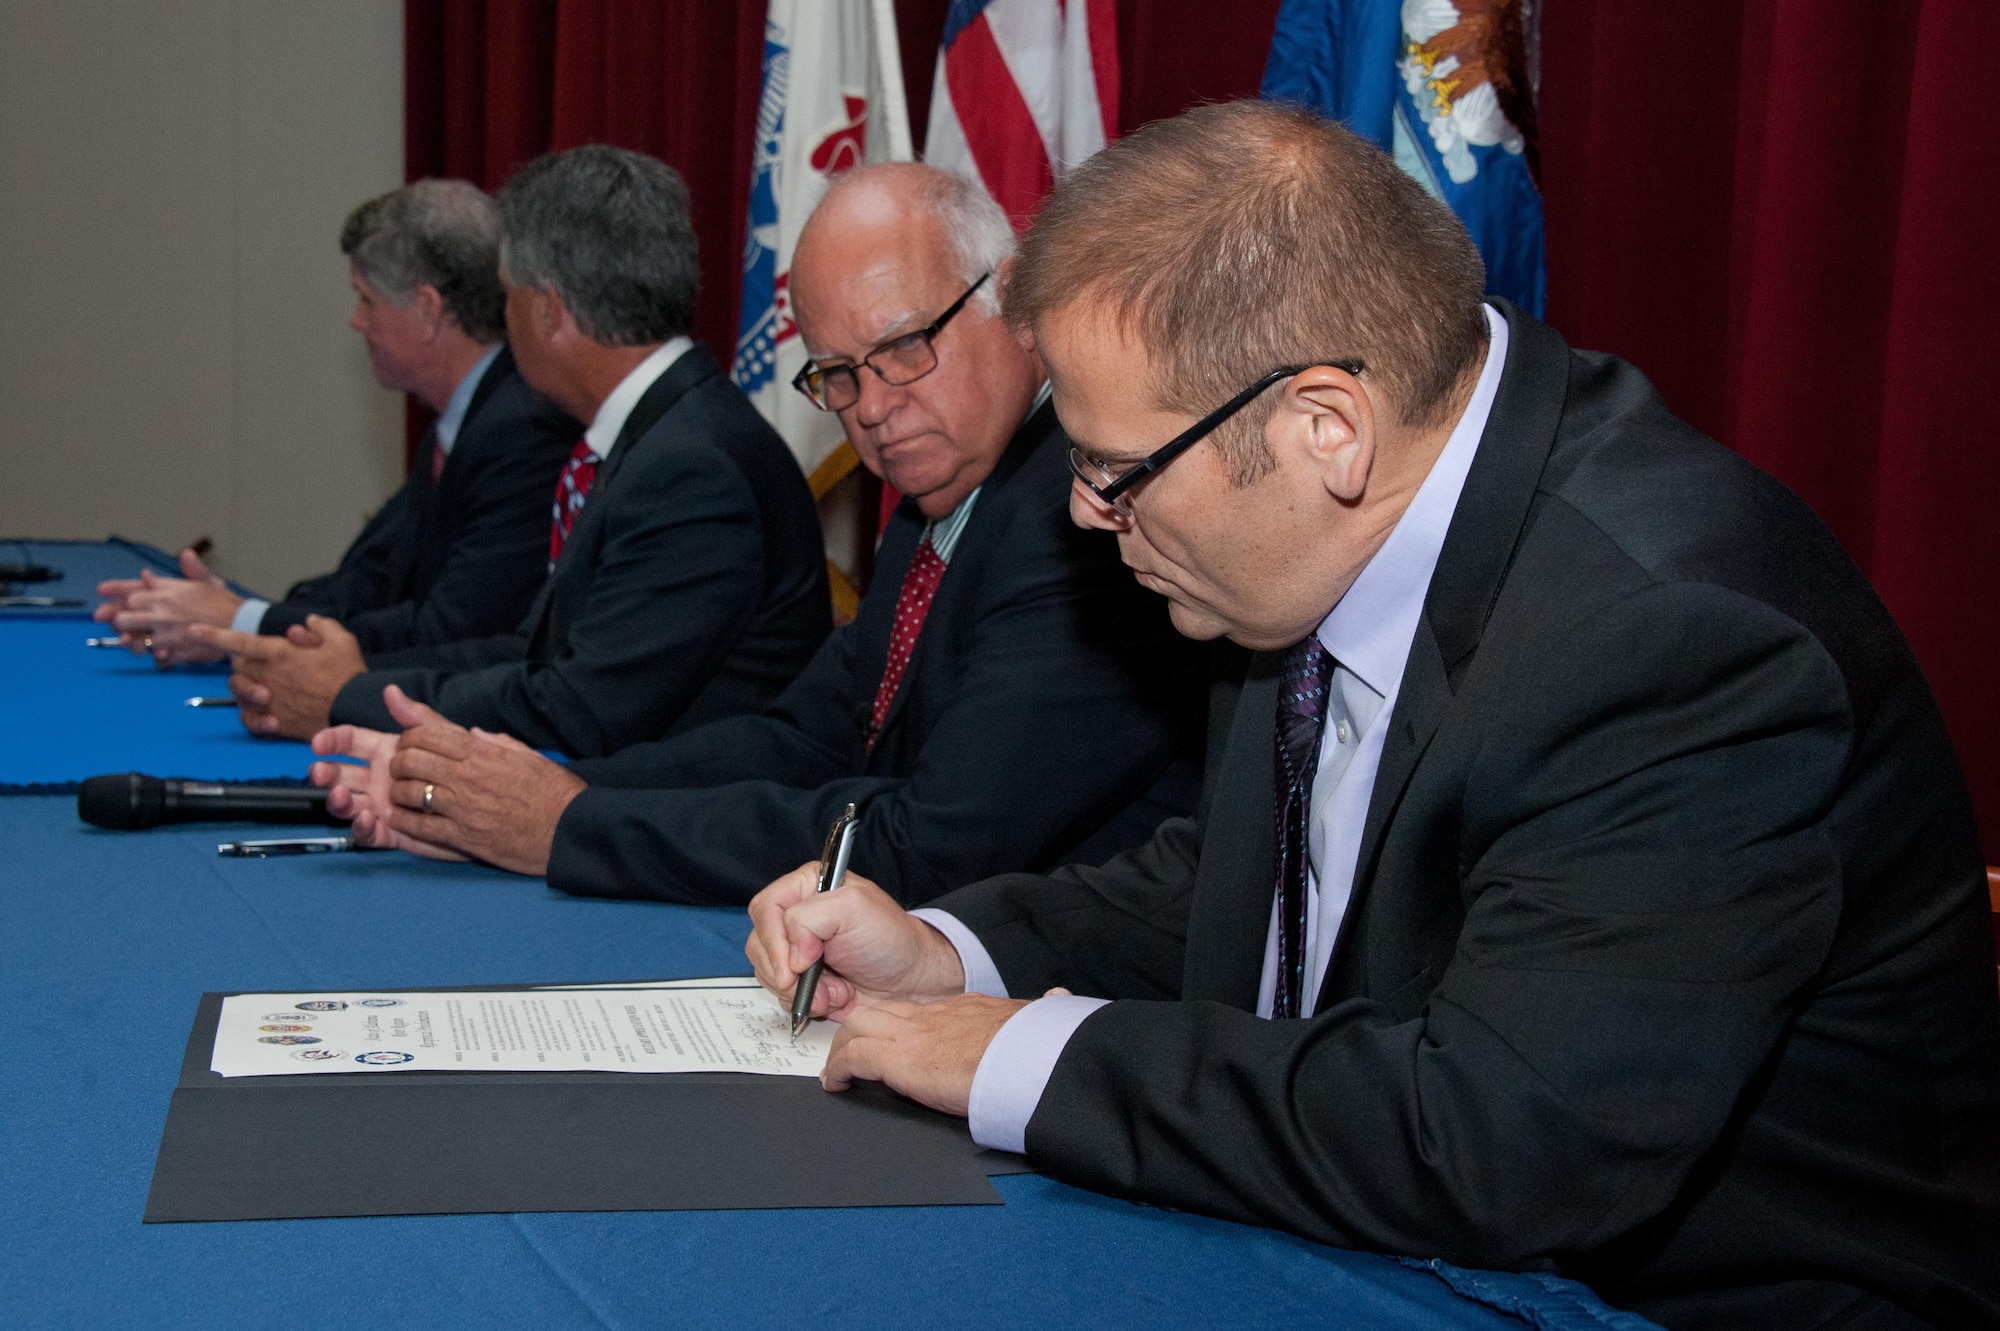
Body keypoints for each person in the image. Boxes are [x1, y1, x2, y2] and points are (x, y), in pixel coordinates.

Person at [741, 104, 2000, 1329]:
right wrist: (953, 954)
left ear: (1323, 427)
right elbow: (1264, 876)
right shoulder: (1307, 528)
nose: (1082, 515)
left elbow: (1499, 1142)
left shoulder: (1675, 642)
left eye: (1110, 472)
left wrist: (1017, 1051)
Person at [308, 163, 1207, 908]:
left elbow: (935, 842)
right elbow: (800, 738)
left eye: (902, 348)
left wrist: (567, 824)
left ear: (1012, 300)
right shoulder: (951, 489)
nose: (877, 411)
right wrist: (551, 790)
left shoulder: (1086, 515)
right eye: (838, 376)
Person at [191, 146, 831, 758]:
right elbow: (533, 656)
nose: (500, 320)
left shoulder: (694, 468)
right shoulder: (657, 432)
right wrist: (352, 673)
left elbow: (580, 708)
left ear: (547, 310)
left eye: (507, 295)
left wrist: (349, 695)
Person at [94, 180, 576, 666]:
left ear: (428, 310)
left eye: (366, 300)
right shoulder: (456, 425)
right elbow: (368, 583)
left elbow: (449, 629)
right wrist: (226, 621)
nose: (356, 322)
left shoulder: (523, 433)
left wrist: (244, 621)